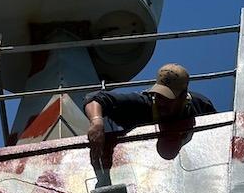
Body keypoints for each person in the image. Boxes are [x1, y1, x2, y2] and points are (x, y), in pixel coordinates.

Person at [84, 63, 216, 155]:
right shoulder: (142, 104)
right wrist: (96, 122)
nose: (161, 102)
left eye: (168, 97)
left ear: (182, 96)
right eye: (159, 95)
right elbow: (95, 98)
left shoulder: (201, 105)